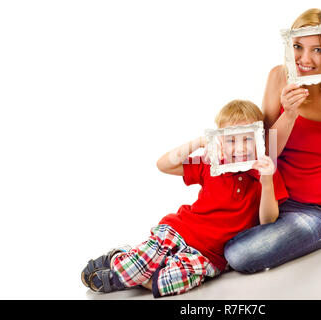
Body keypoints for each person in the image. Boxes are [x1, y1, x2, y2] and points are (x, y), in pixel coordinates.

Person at [80, 99, 289, 297]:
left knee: (168, 282)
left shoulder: (265, 172)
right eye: (231, 140)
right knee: (136, 267)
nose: (241, 148)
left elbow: (268, 221)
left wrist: (267, 180)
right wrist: (199, 142)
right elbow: (164, 164)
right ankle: (122, 258)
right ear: (220, 142)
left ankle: (134, 273)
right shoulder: (211, 164)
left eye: (248, 139)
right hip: (180, 230)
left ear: (259, 139)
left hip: (210, 256)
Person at [224, 8, 321, 273]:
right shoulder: (278, 77)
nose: (305, 59)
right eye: (298, 46)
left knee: (240, 254)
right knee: (204, 224)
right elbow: (264, 154)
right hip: (272, 197)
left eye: (318, 50)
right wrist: (288, 115)